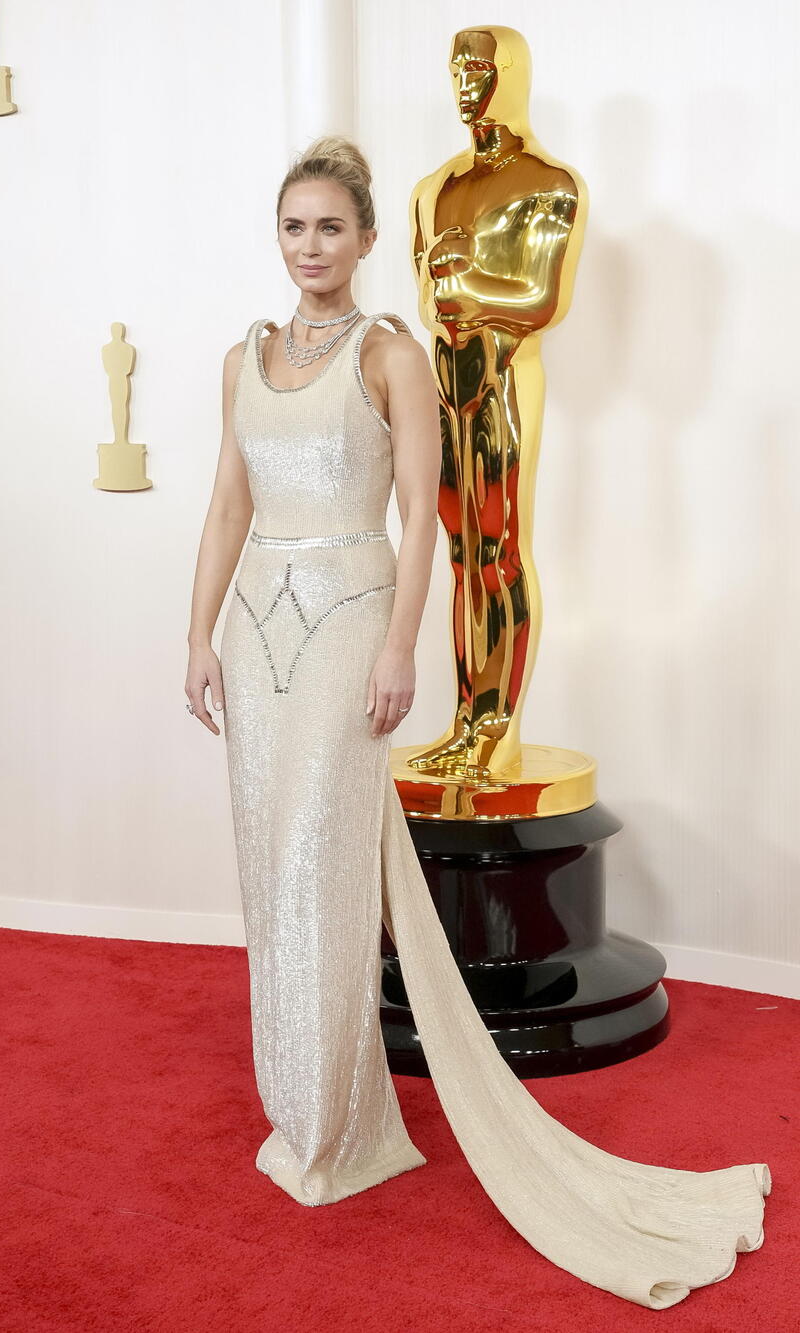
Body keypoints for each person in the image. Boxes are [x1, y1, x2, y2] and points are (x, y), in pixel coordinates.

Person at [184, 135, 770, 1311]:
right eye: (294, 227)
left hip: (352, 620)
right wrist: (195, 635)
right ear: (280, 235)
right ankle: (300, 1109)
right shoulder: (240, 359)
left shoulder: (391, 355)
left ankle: (342, 1127)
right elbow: (226, 505)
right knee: (271, 871)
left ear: (362, 240)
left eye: (331, 229)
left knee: (325, 864)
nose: (310, 247)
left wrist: (403, 648)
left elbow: (424, 520)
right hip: (257, 633)